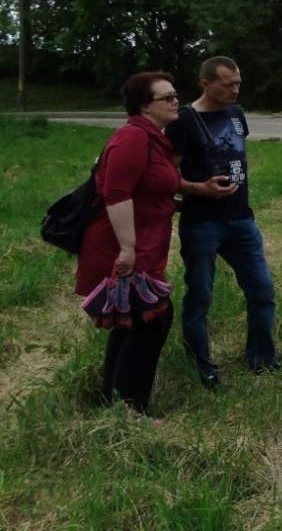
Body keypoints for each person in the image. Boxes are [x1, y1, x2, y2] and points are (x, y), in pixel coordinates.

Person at [165, 56, 277, 390]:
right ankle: (202, 366)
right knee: (200, 296)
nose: (235, 89)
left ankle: (261, 359)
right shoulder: (183, 122)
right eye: (228, 84)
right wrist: (199, 189)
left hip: (242, 219)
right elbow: (166, 175)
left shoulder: (236, 114)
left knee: (262, 291)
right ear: (205, 84)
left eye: (238, 82)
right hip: (202, 223)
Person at [76, 72, 182, 418]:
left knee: (133, 321)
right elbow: (117, 193)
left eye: (175, 95)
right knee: (153, 319)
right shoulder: (134, 137)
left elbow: (149, 186)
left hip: (141, 243)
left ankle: (116, 404)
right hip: (123, 246)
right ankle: (129, 410)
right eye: (166, 97)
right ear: (144, 106)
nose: (175, 100)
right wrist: (127, 248)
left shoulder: (151, 137)